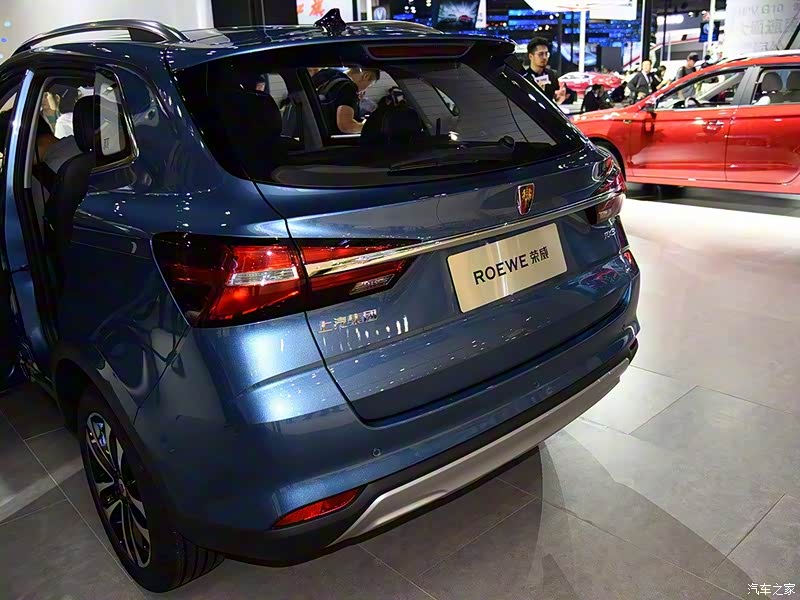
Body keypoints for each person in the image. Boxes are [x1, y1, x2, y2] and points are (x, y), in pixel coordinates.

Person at [318, 66, 380, 134]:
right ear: (366, 76)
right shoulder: (348, 88)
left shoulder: (332, 82)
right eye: (369, 86)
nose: (365, 90)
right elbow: (347, 126)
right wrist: (367, 126)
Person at [523, 37, 567, 104]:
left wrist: (559, 97)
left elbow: (557, 99)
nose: (544, 57)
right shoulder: (524, 78)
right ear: (530, 56)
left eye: (546, 54)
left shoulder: (552, 75)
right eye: (540, 54)